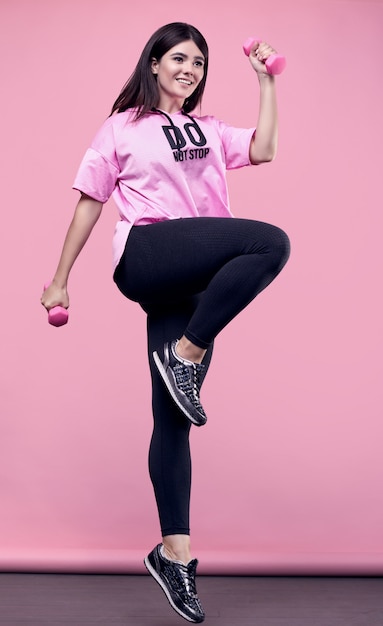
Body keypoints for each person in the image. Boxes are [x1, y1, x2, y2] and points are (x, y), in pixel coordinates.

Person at [41, 22, 290, 624]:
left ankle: (172, 553)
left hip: (193, 285)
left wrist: (265, 82)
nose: (191, 69)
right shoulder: (122, 126)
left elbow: (262, 149)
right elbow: (89, 202)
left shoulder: (205, 130)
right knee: (269, 242)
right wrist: (59, 278)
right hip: (147, 257)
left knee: (172, 415)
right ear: (153, 63)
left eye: (200, 62)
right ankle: (187, 353)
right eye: (179, 57)